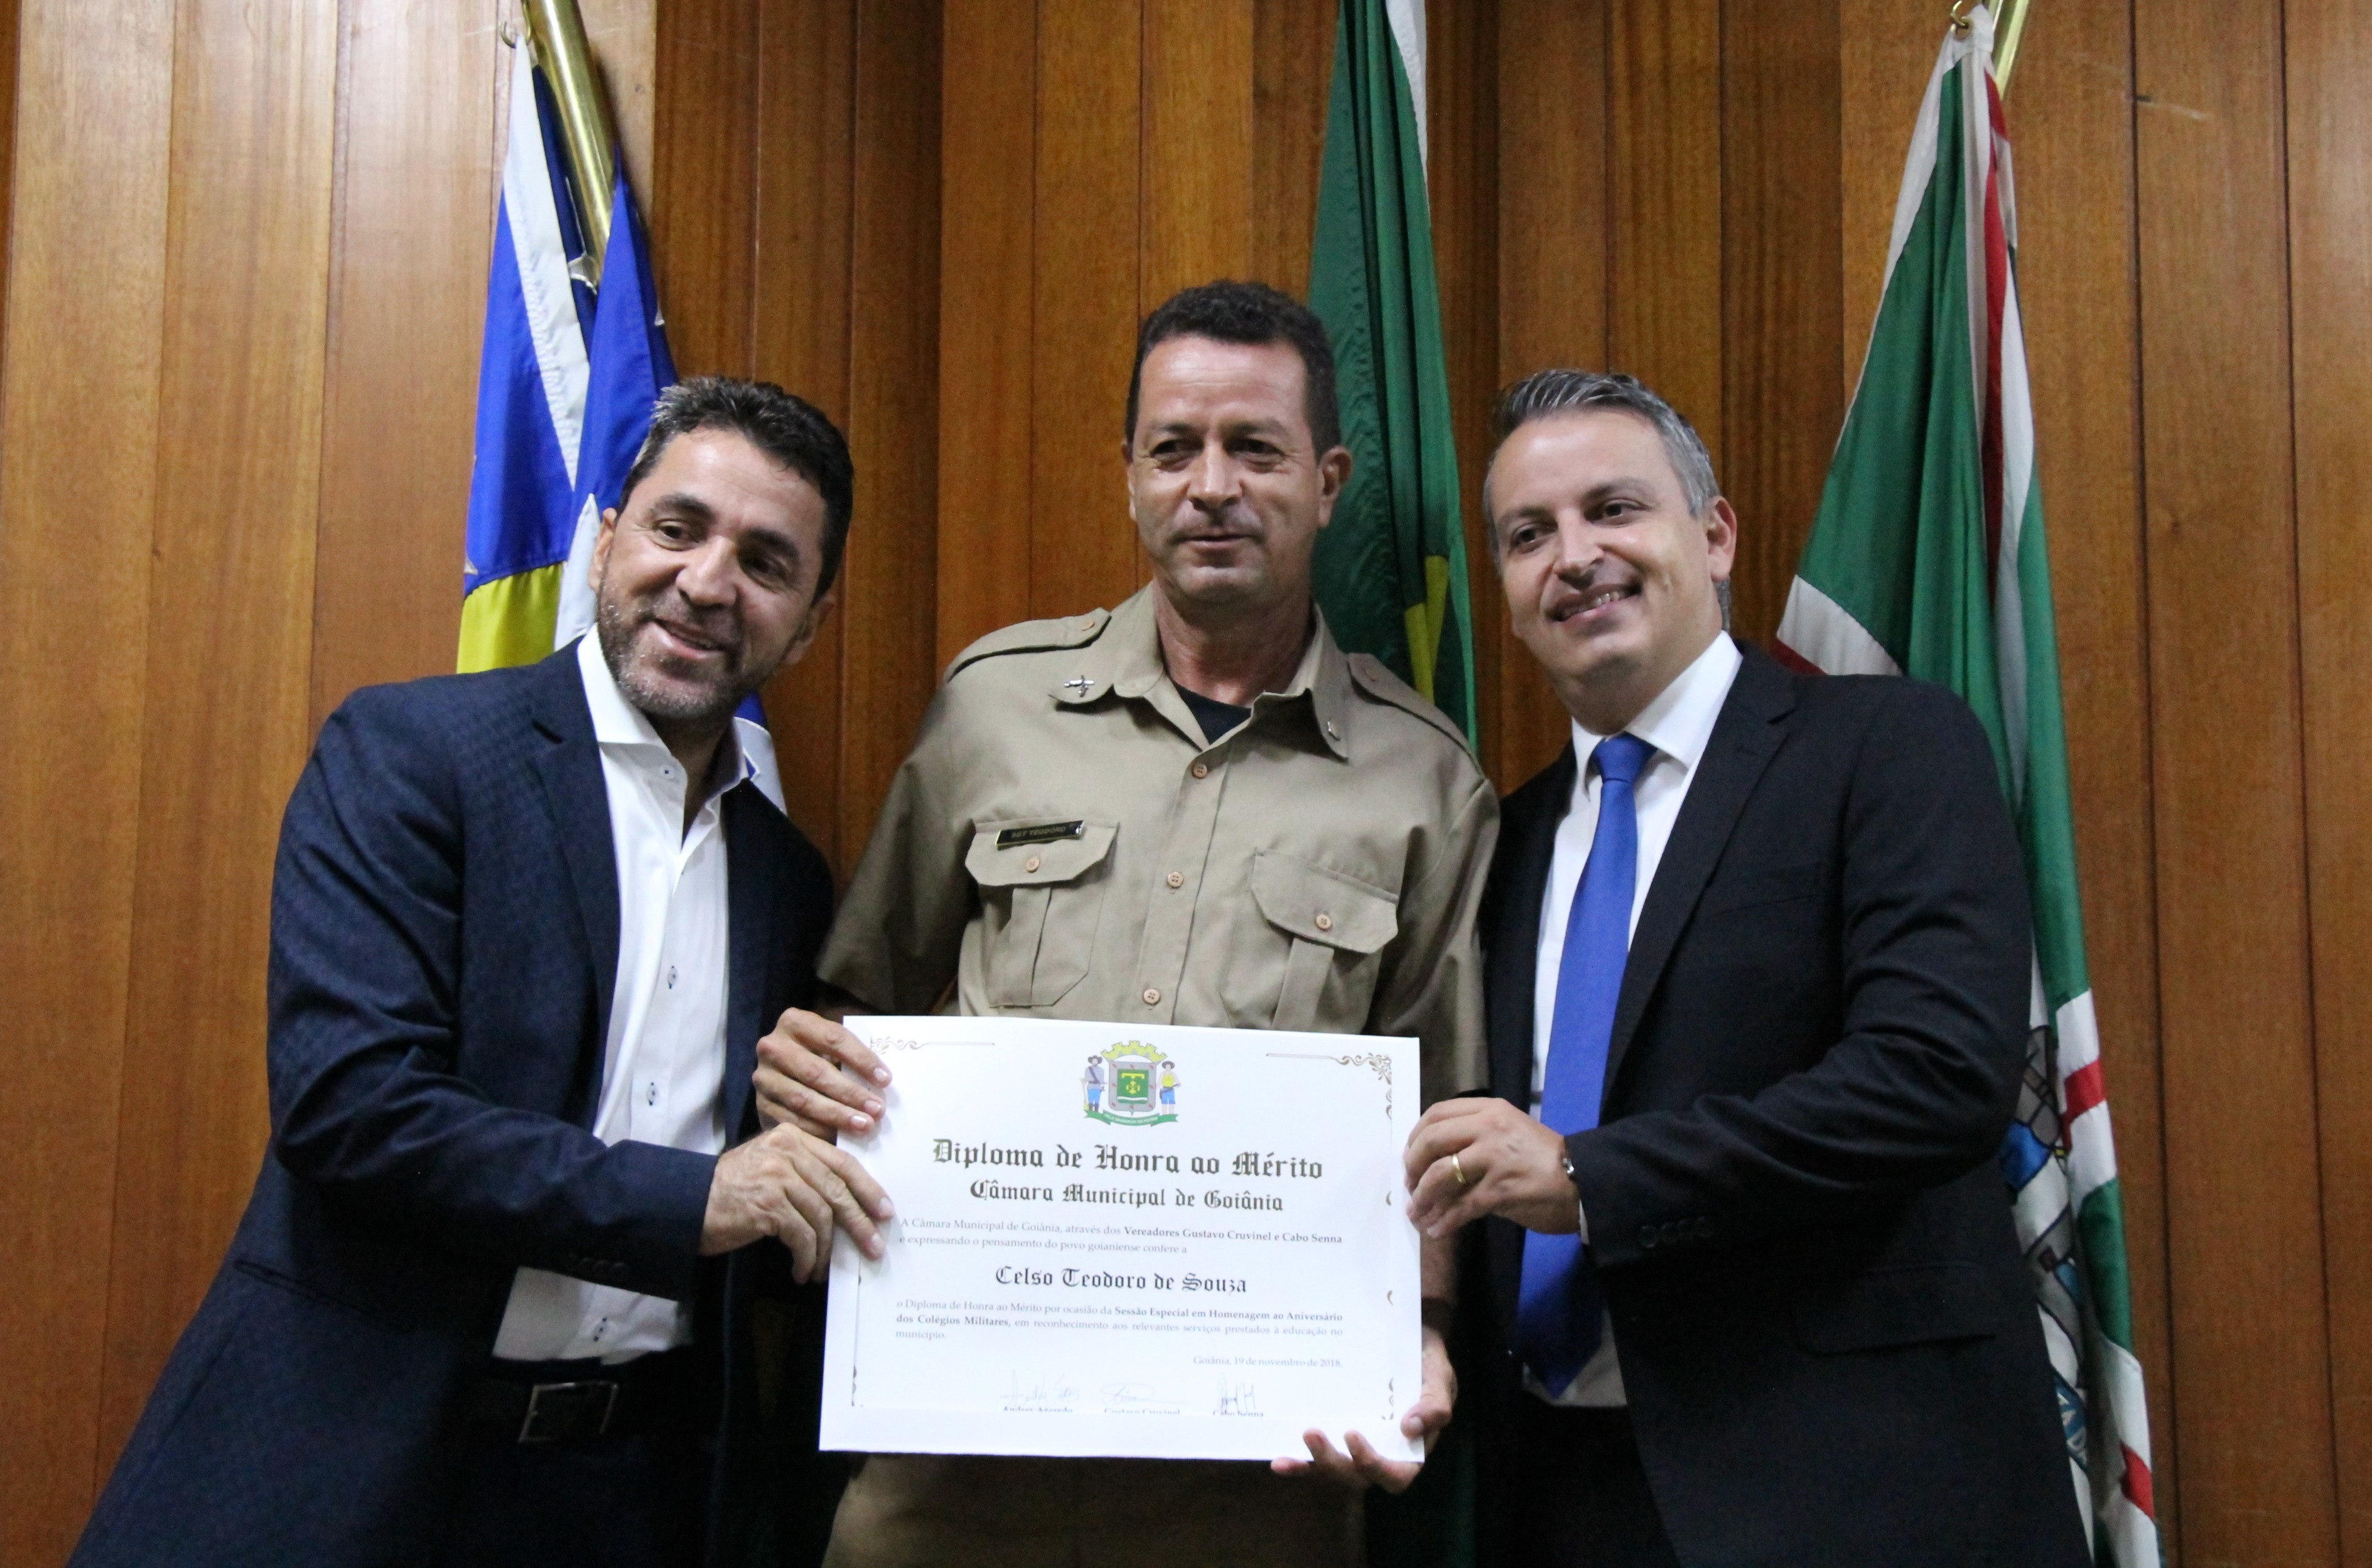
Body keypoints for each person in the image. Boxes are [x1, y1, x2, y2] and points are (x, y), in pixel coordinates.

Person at [73, 377, 893, 1568]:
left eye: (766, 563)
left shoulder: (786, 876)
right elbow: (352, 1107)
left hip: (637, 1496)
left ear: (809, 624)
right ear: (605, 539)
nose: (709, 582)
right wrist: (695, 1199)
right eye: (677, 528)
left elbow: (765, 1214)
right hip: (367, 1468)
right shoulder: (413, 755)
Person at [753, 281, 1498, 1568]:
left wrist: (1419, 1327)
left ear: (1328, 481)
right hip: (951, 1458)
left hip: (1255, 1481)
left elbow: (1438, 1121)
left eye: (1255, 448)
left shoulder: (1426, 779)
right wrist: (808, 1084)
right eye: (1174, 448)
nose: (1212, 486)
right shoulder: (994, 706)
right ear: (1130, 478)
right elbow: (861, 998)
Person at [1401, 371, 2088, 1567]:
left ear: (1714, 535)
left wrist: (1589, 1176)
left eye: (1615, 509)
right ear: (1505, 592)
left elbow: (1934, 1081)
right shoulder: (1501, 841)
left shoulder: (1891, 749)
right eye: (1529, 534)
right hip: (1562, 1492)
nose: (1575, 555)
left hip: (1851, 1492)